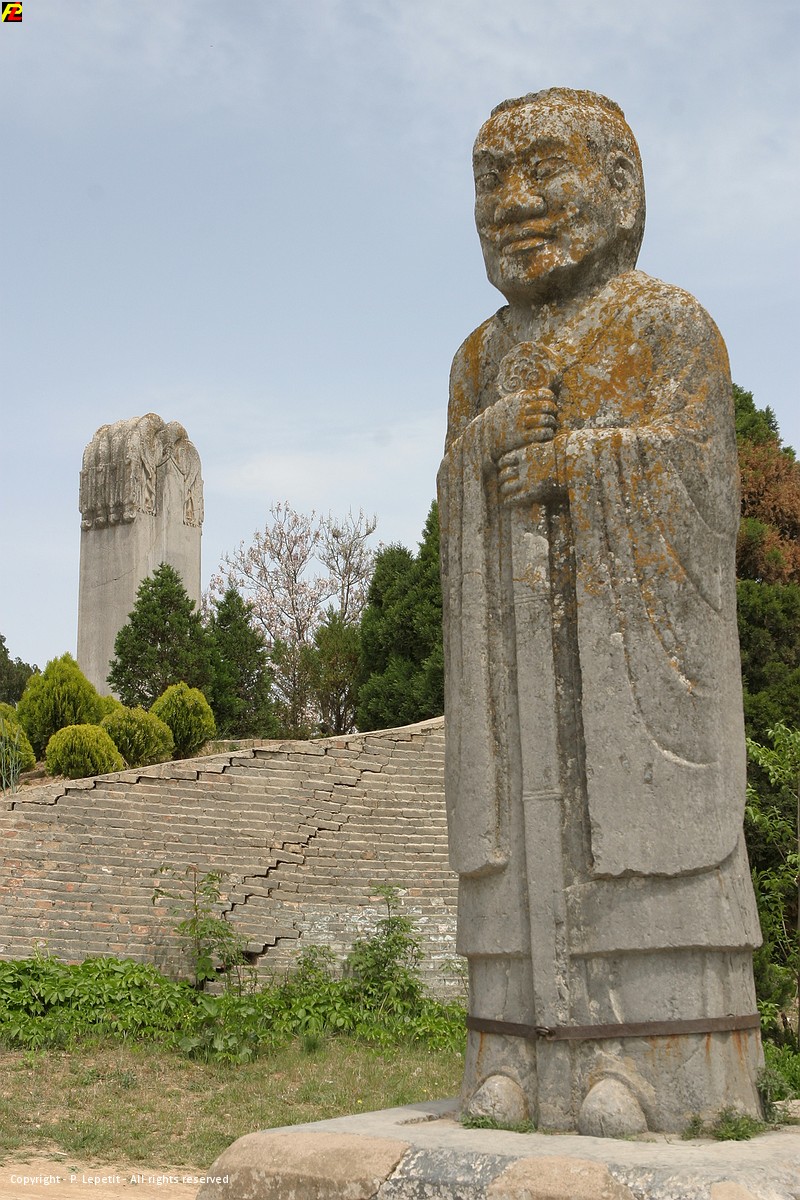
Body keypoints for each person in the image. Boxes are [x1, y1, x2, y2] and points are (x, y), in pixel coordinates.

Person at [437, 88, 763, 1134]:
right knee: (516, 858)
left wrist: (577, 464)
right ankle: (510, 1053)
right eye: (490, 180)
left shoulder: (665, 324)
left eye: (542, 170)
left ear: (619, 187)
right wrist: (485, 451)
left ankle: (651, 1060)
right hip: (518, 665)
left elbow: (700, 480)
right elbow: (454, 496)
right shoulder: (477, 358)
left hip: (630, 669)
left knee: (642, 848)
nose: (512, 201)